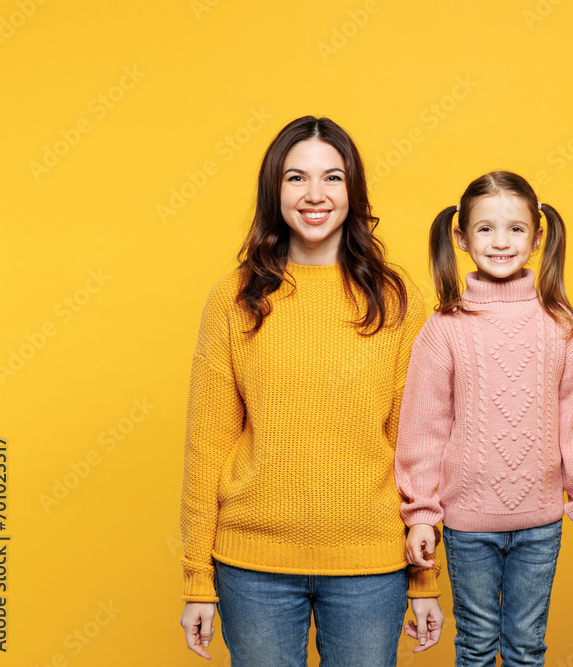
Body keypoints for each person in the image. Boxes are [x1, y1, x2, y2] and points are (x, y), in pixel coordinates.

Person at [177, 115, 443, 666]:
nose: (315, 194)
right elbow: (206, 445)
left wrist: (424, 580)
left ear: (354, 190)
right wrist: (197, 580)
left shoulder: (398, 299)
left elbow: (420, 445)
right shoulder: (234, 297)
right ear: (274, 191)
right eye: (296, 178)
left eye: (333, 178)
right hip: (253, 565)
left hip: (371, 564)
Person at [395, 170, 573, 667]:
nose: (500, 241)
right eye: (485, 228)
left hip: (540, 525)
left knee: (527, 647)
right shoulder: (443, 329)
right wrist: (421, 513)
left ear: (536, 237)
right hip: (468, 526)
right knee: (475, 645)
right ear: (462, 237)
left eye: (515, 228)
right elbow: (423, 431)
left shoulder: (561, 326)